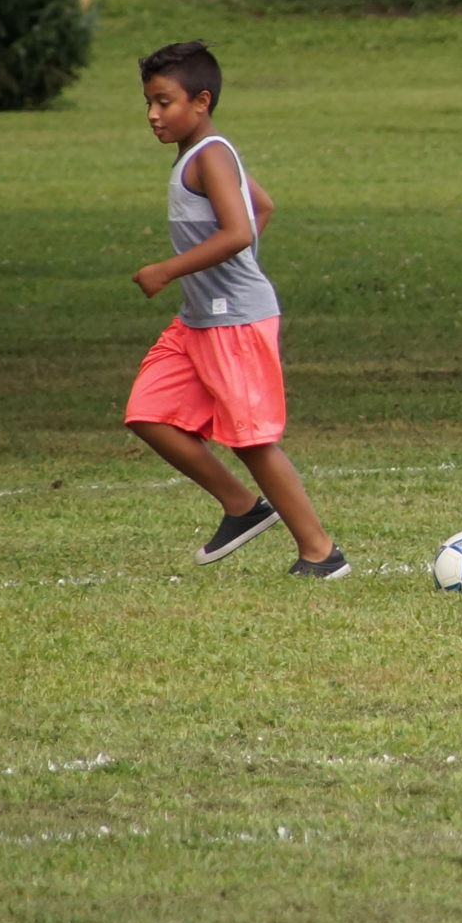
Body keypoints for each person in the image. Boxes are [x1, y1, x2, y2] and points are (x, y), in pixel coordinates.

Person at [123, 41, 348, 579]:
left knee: (252, 439)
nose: (153, 114)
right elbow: (262, 206)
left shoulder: (211, 155)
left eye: (164, 102)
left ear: (201, 101)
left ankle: (321, 552)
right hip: (198, 319)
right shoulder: (200, 154)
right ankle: (243, 507)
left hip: (235, 321)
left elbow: (240, 231)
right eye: (149, 102)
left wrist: (169, 270)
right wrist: (217, 273)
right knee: (148, 413)